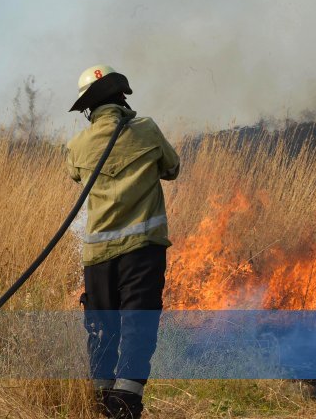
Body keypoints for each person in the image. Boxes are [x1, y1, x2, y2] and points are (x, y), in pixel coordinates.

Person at [66, 64, 180, 418]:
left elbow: (74, 175)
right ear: (122, 96)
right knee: (138, 326)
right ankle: (126, 406)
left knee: (101, 330)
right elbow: (172, 168)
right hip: (142, 252)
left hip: (98, 256)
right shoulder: (147, 130)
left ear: (88, 108)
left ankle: (101, 403)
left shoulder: (78, 146)